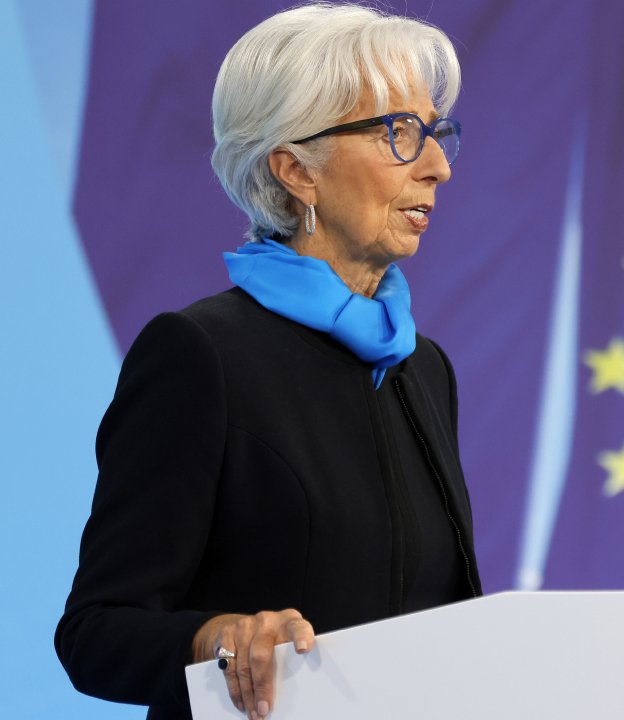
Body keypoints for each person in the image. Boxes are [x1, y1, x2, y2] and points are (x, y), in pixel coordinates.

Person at [54, 5, 482, 719]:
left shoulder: (423, 368)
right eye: (399, 133)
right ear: (295, 170)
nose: (437, 166)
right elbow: (95, 633)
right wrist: (218, 638)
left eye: (435, 133)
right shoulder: (200, 356)